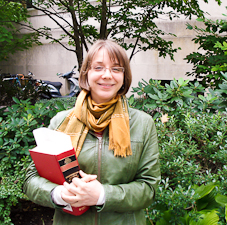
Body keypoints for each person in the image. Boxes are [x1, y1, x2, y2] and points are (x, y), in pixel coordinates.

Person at [23, 39, 161, 225]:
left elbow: (149, 188)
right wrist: (59, 194)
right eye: (98, 68)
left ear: (124, 76)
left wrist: (102, 195)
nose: (107, 75)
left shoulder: (143, 124)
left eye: (116, 69)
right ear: (86, 74)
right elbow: (31, 179)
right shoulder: (61, 121)